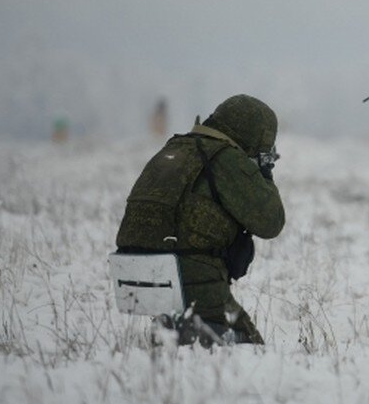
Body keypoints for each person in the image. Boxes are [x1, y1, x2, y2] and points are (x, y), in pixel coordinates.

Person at [115, 94, 285, 346]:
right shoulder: (226, 158)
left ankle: (175, 329)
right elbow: (271, 222)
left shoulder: (174, 148)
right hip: (192, 277)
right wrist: (264, 170)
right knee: (250, 349)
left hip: (132, 276)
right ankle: (198, 333)